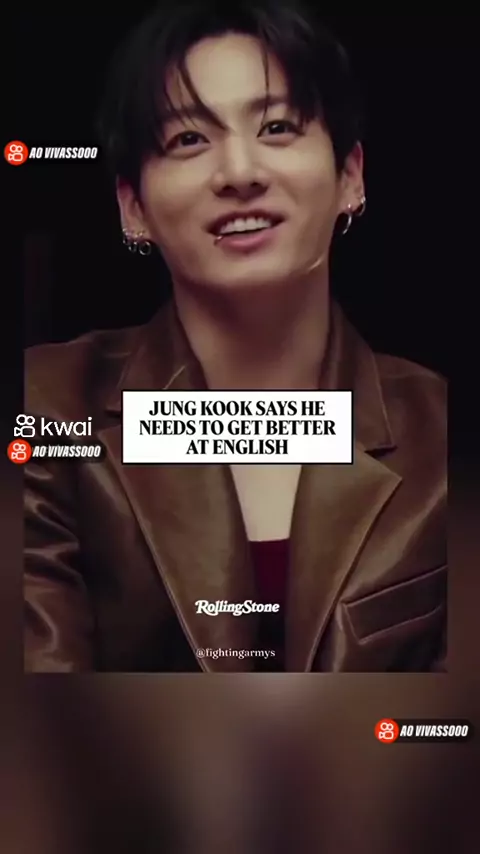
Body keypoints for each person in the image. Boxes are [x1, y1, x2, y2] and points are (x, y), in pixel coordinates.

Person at [24, 0, 447, 673]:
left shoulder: (440, 430)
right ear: (133, 208)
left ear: (350, 176)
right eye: (188, 140)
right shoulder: (44, 404)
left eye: (277, 127)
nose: (240, 172)